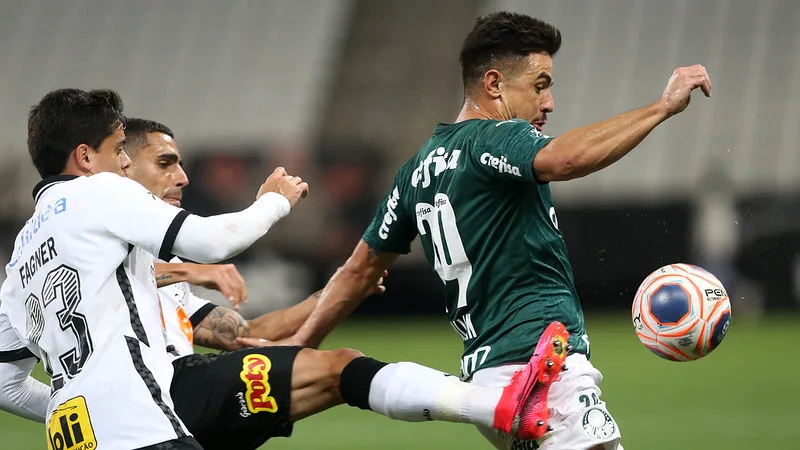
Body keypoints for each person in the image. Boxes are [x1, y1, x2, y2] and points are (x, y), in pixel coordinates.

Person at [274, 11, 712, 450]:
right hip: (540, 370)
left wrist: (299, 342)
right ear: (494, 84)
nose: (550, 102)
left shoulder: (414, 172)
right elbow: (565, 160)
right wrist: (662, 107)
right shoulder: (493, 139)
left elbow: (357, 270)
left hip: (485, 382)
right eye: (540, 85)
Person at [0, 114, 565, 449]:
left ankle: (492, 405)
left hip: (126, 409)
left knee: (335, 370)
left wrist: (330, 296)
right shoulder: (111, 218)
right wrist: (270, 203)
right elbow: (215, 245)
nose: (182, 176)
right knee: (339, 368)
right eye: (160, 162)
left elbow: (238, 334)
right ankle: (495, 404)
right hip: (160, 394)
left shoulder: (67, 258)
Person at [0, 88, 308, 449]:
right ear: (84, 157)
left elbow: (5, 383)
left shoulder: (22, 254)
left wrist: (84, 409)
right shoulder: (98, 191)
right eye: (117, 150)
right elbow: (214, 242)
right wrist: (274, 201)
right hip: (141, 428)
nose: (126, 163)